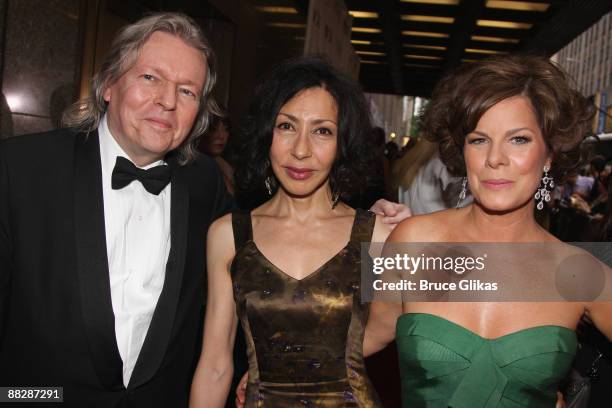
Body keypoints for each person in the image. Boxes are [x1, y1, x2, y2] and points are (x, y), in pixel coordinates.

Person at [0, 13, 234, 407]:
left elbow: (271, 271)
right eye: (150, 78)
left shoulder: (205, 184)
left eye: (187, 91)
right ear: (108, 84)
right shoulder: (20, 171)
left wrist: (376, 257)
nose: (167, 101)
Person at [365, 55, 612, 407]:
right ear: (462, 150)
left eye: (519, 140)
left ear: (548, 155)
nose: (495, 158)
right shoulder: (413, 241)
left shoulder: (579, 271)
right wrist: (274, 369)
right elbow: (367, 337)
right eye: (479, 140)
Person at [189, 57, 405, 407]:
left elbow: (487, 281)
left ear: (342, 143)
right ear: (266, 134)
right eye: (286, 127)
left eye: (322, 131)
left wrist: (421, 232)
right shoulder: (228, 236)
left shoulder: (376, 237)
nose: (301, 150)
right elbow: (214, 366)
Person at [200, 112, 235, 194]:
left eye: (226, 129)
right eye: (213, 129)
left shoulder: (227, 164)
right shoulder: (197, 166)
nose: (221, 136)